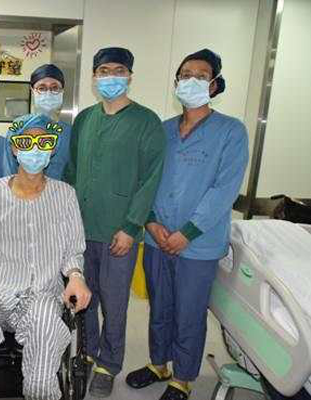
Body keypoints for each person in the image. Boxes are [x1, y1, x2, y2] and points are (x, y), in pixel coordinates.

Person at [125, 49, 249, 400]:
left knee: (189, 312)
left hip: (198, 244)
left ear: (214, 85)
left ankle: (182, 377)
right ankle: (159, 363)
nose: (191, 80)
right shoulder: (162, 131)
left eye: (201, 75)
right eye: (185, 75)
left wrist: (188, 233)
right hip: (157, 237)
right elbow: (145, 180)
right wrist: (150, 222)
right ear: (176, 82)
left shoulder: (230, 131)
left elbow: (224, 189)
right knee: (159, 306)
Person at [0, 114, 92, 400]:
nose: (35, 149)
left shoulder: (65, 195)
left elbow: (73, 250)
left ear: (52, 148)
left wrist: (75, 276)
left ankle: (39, 393)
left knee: (46, 325)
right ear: (13, 147)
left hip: (42, 291)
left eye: (43, 142)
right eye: (26, 142)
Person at [64, 47, 166, 397]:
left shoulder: (146, 122)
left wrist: (131, 226)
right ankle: (88, 353)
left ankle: (108, 364)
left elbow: (150, 179)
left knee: (114, 301)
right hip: (81, 228)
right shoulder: (85, 120)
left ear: (130, 76)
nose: (110, 77)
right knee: (85, 296)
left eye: (118, 70)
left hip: (118, 232)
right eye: (104, 71)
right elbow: (73, 171)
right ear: (94, 77)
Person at [3, 64, 72, 179]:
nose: (48, 93)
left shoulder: (70, 133)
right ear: (32, 91)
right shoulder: (19, 127)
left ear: (62, 91)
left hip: (61, 190)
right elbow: (9, 170)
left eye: (55, 88)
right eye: (42, 88)